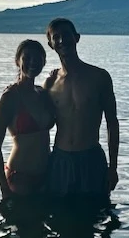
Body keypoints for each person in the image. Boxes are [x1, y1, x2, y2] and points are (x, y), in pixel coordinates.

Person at [44, 18, 119, 201]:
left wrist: (113, 167)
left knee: (95, 215)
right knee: (60, 219)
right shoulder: (50, 83)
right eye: (57, 37)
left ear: (76, 38)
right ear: (50, 44)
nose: (62, 41)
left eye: (67, 35)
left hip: (91, 158)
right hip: (60, 159)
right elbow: (42, 125)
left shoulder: (99, 77)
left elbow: (112, 123)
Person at [0, 39, 55, 199]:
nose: (33, 62)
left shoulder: (43, 94)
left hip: (46, 176)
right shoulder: (9, 97)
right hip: (20, 178)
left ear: (44, 62)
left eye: (38, 58)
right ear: (17, 61)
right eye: (27, 58)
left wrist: (53, 81)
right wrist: (4, 188)